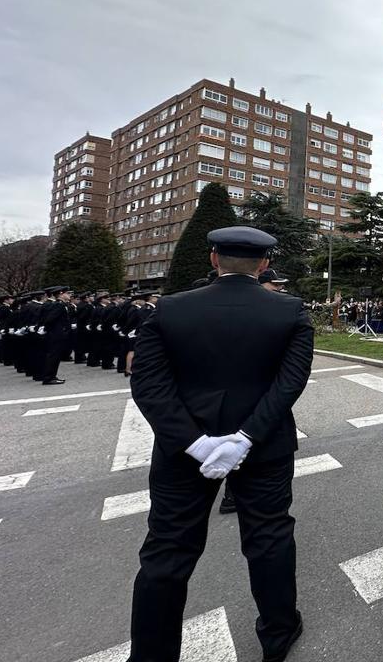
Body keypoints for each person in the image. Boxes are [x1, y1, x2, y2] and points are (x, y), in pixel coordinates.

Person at [126, 226, 312, 662]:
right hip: (264, 446)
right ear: (264, 264)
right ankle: (278, 633)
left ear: (213, 259)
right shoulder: (289, 311)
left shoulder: (169, 309)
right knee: (269, 539)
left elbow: (149, 385)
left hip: (183, 450)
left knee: (167, 551)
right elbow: (289, 385)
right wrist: (245, 438)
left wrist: (195, 444)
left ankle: (152, 654)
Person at [36, 286, 73, 385]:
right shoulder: (58, 305)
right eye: (67, 293)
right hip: (55, 335)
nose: (69, 295)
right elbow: (49, 319)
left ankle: (52, 376)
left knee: (55, 356)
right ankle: (49, 377)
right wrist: (53, 330)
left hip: (56, 334)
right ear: (61, 294)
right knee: (53, 356)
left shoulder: (60, 304)